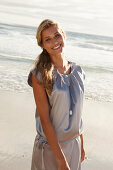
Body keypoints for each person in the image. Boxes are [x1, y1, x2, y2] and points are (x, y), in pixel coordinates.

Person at [28, 19, 85, 170]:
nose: (54, 42)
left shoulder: (78, 71)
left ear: (64, 36)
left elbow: (78, 112)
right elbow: (45, 120)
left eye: (57, 35)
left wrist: (81, 144)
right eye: (48, 39)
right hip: (50, 149)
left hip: (74, 145)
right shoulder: (40, 74)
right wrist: (60, 160)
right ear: (42, 45)